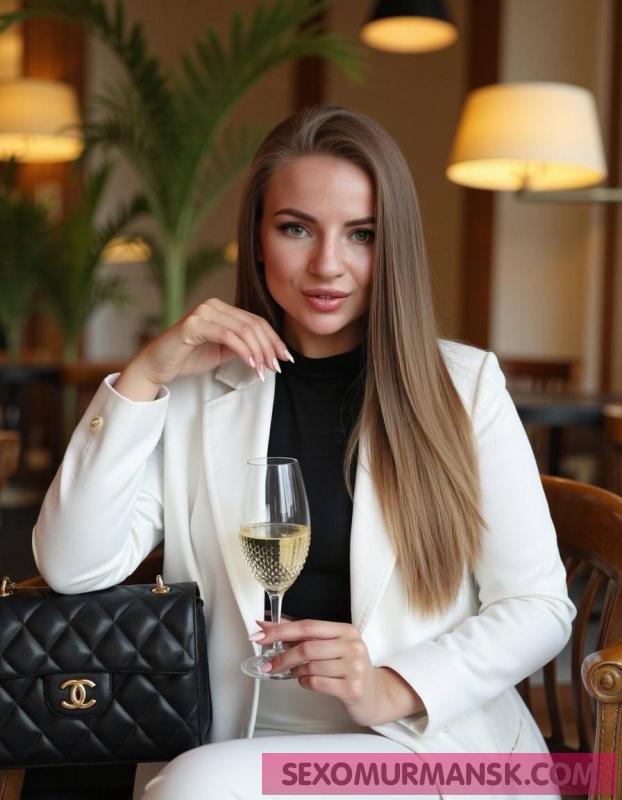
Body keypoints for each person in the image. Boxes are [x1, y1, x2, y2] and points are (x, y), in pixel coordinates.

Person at [33, 105, 575, 800]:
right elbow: (74, 566)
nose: (327, 265)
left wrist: (390, 685)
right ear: (257, 240)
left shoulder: (464, 387)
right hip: (239, 735)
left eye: (361, 235)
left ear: (394, 248)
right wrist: (142, 377)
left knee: (194, 791)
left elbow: (537, 606)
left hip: (427, 741)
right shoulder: (198, 394)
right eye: (296, 228)